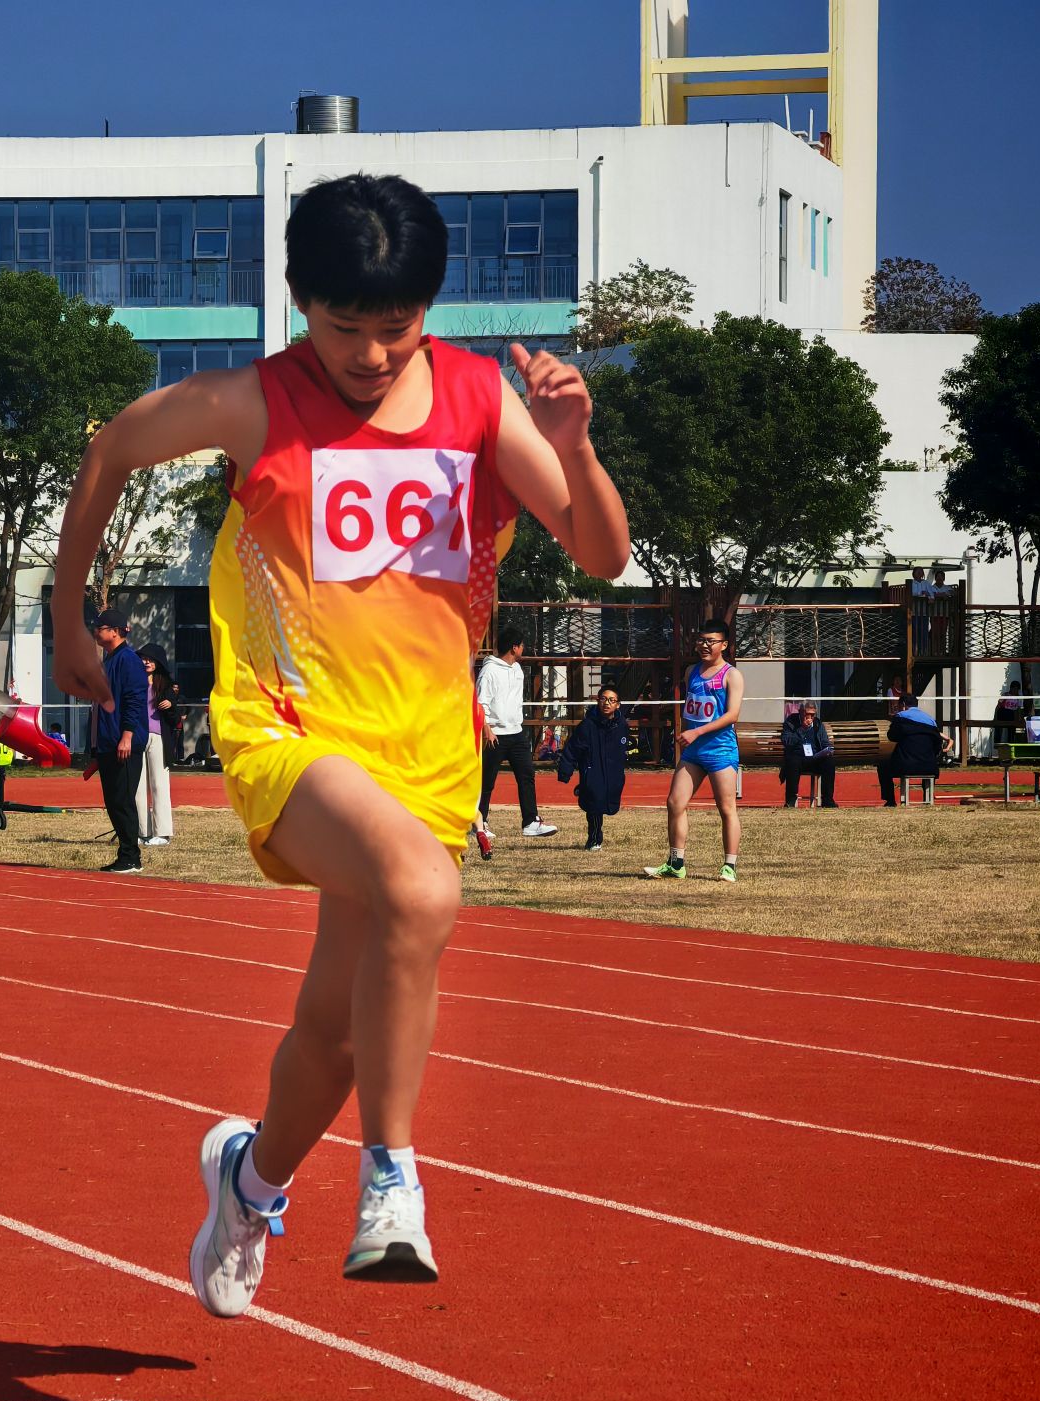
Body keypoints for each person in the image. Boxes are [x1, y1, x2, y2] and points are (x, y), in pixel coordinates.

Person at [51, 172, 627, 1315]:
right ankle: (392, 1181)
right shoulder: (248, 404)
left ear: (429, 308)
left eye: (392, 328)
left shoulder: (475, 401)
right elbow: (110, 450)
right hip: (288, 730)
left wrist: (573, 444)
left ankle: (248, 1181)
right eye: (341, 327)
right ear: (298, 304)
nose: (368, 354)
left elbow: (599, 554)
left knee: (337, 1031)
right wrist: (69, 615)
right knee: (417, 890)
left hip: (424, 746)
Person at [646, 620, 743, 882]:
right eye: (701, 640)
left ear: (724, 645)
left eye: (711, 641)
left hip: (720, 750)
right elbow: (693, 709)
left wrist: (697, 732)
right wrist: (688, 732)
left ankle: (729, 867)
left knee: (726, 808)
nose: (704, 645)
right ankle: (676, 863)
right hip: (693, 752)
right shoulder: (691, 672)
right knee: (675, 802)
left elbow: (732, 715)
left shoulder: (731, 675)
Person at [475, 631, 557, 844]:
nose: (524, 649)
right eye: (521, 645)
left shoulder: (518, 669)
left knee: (527, 775)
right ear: (514, 647)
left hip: (517, 733)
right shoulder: (489, 671)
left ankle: (530, 822)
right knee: (486, 781)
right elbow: (480, 702)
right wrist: (487, 729)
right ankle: (479, 823)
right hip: (495, 734)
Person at [89, 608, 148, 872]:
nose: (96, 631)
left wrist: (127, 735)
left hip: (123, 742)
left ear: (115, 631)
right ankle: (126, 854)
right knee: (114, 800)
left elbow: (135, 700)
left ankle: (131, 857)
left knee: (123, 800)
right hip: (108, 741)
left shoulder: (128, 660)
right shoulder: (110, 660)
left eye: (100, 628)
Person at [555, 685, 628, 849]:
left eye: (611, 700)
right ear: (598, 701)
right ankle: (594, 839)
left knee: (609, 803)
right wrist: (565, 771)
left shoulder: (622, 725)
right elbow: (572, 749)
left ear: (618, 704)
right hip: (593, 770)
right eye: (603, 699)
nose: (607, 703)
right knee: (594, 805)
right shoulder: (587, 726)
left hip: (613, 774)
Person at [880, 693, 951, 805]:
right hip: (929, 765)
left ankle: (890, 800)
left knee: (883, 765)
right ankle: (927, 798)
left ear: (903, 704)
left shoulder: (900, 717)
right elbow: (937, 745)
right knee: (926, 759)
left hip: (905, 764)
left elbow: (891, 736)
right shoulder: (930, 720)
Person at [138, 643, 175, 848]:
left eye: (150, 659)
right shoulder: (134, 683)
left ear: (158, 663)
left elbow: (175, 717)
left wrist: (170, 706)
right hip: (136, 736)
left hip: (159, 738)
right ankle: (141, 831)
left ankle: (162, 833)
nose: (146, 662)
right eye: (143, 658)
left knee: (160, 785)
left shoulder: (166, 686)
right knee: (137, 786)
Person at [780, 698, 838, 808]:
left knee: (829, 763)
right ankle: (790, 800)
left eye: (813, 714)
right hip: (798, 757)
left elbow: (824, 741)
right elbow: (787, 741)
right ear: (801, 712)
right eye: (807, 714)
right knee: (792, 762)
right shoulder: (791, 722)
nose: (810, 717)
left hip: (815, 757)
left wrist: (827, 750)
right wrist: (802, 729)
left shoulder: (817, 723)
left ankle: (827, 800)